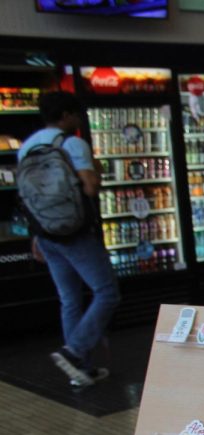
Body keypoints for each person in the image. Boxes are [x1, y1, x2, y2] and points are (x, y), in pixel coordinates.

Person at [18, 91, 118, 388]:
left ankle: (81, 371)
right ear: (66, 116)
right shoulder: (72, 143)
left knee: (69, 298)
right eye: (76, 114)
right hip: (75, 232)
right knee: (107, 292)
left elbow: (28, 197)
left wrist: (36, 236)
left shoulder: (27, 146)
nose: (79, 119)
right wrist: (96, 171)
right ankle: (74, 352)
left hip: (45, 233)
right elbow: (89, 188)